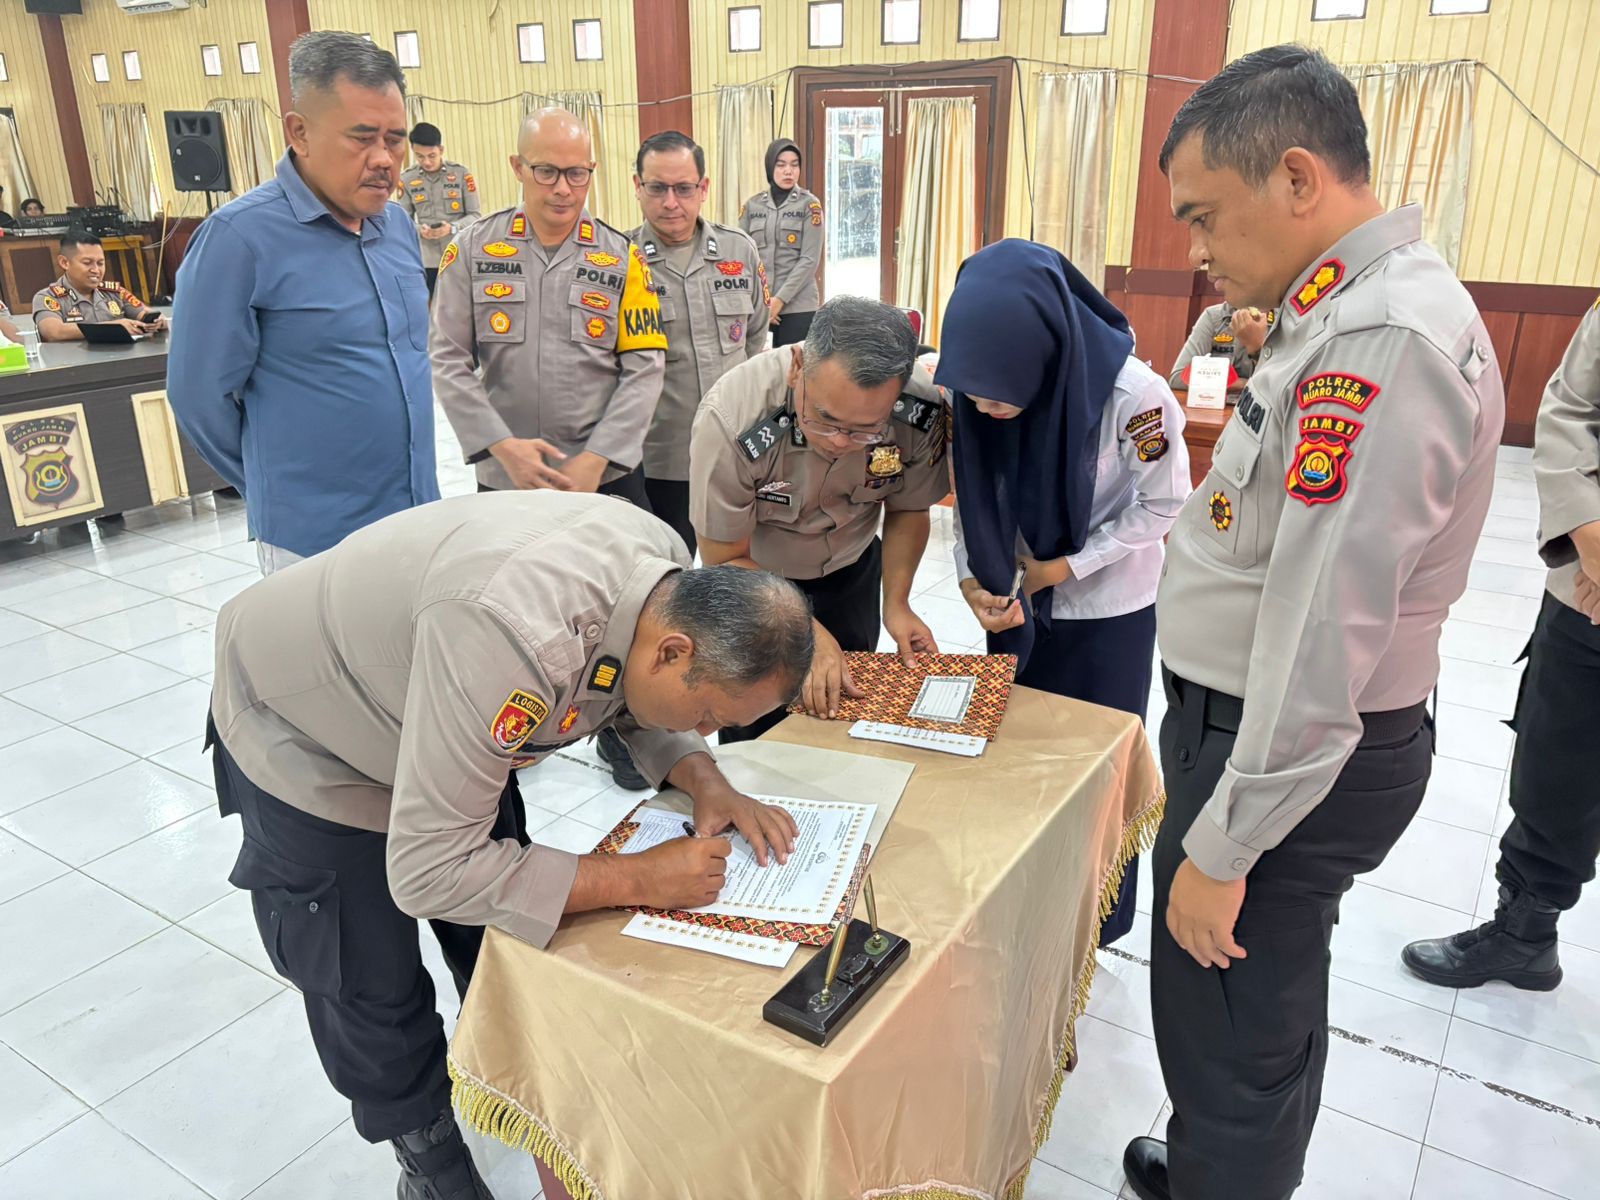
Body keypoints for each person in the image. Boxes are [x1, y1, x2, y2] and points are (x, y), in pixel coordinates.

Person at [1120, 46, 1504, 1200]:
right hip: (1271, 737)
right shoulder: (1334, 311)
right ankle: (1219, 1164)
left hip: (1277, 751)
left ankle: (1226, 1170)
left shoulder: (1376, 341)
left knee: (1227, 1025)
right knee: (1260, 1002)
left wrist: (1225, 845)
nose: (1195, 250)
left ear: (1295, 178)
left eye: (1203, 216)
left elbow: (1323, 626)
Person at [209, 489, 813, 1200]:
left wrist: (703, 777)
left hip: (443, 698)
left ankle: (503, 1072)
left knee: (501, 929)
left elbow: (619, 684)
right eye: (708, 713)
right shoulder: (511, 638)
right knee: (368, 971)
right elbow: (428, 872)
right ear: (674, 650)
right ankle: (428, 1155)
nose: (706, 730)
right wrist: (635, 878)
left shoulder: (664, 581)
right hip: (306, 727)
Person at [938, 238, 1191, 949]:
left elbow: (1165, 504)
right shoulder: (971, 391)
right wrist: (971, 575)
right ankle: (1027, 901)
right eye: (973, 394)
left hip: (1106, 614)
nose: (983, 408)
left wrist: (1069, 567)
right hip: (1015, 603)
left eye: (998, 394)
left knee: (1096, 771)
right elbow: (970, 498)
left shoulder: (1134, 396)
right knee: (1019, 756)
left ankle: (1096, 921)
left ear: (1045, 355)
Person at [432, 106, 666, 788]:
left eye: (578, 173)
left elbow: (645, 365)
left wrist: (600, 459)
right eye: (547, 172)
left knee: (623, 615)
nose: (564, 188)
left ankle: (623, 735)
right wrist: (500, 447)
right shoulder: (473, 250)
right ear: (517, 167)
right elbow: (447, 357)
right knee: (506, 611)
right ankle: (509, 736)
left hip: (603, 479)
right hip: (509, 480)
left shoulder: (621, 256)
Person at [167, 32, 435, 575]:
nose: (384, 159)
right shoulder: (239, 238)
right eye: (362, 138)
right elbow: (198, 397)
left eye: (395, 139)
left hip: (414, 518)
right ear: (299, 132)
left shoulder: (397, 227)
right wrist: (280, 485)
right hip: (312, 539)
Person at [1401, 299, 1600, 993]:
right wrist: (1591, 538)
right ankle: (1526, 932)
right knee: (1555, 762)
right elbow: (1571, 408)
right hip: (1588, 585)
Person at [690, 296, 948, 740]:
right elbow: (723, 558)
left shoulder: (919, 411)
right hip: (755, 585)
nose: (841, 441)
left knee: (841, 724)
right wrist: (803, 632)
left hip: (851, 572)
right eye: (825, 419)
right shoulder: (733, 417)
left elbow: (909, 507)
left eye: (866, 429)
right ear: (797, 368)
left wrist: (897, 602)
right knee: (756, 733)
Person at [628, 129, 769, 556]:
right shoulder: (620, 260)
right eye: (657, 188)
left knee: (738, 570)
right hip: (662, 457)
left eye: (684, 188)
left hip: (736, 452)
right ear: (638, 187)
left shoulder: (738, 250)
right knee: (665, 569)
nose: (671, 202)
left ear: (703, 188)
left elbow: (755, 336)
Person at [739, 138, 823, 347]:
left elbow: (809, 260)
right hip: (759, 307)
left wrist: (778, 301)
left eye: (794, 165)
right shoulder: (752, 206)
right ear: (770, 167)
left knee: (795, 366)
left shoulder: (809, 205)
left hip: (799, 307)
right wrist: (763, 302)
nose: (788, 171)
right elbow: (743, 258)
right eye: (781, 165)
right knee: (759, 366)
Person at [32, 229, 166, 341]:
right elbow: (54, 332)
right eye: (87, 263)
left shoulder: (115, 292)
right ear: (64, 262)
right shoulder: (48, 297)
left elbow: (143, 313)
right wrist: (113, 328)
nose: (96, 270)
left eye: (100, 263)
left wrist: (157, 321)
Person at [395, 121, 480, 296]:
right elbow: (402, 221)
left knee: (463, 304)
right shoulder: (407, 179)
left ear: (441, 150)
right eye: (420, 156)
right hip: (427, 260)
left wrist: (452, 228)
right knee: (432, 307)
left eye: (431, 155)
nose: (426, 162)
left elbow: (475, 216)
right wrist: (420, 230)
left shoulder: (461, 174)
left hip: (459, 255)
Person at [1167, 300, 1272, 392]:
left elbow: (1274, 387)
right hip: (1216, 404)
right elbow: (1177, 379)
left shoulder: (1280, 321)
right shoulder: (1214, 316)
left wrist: (1255, 347)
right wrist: (1244, 384)